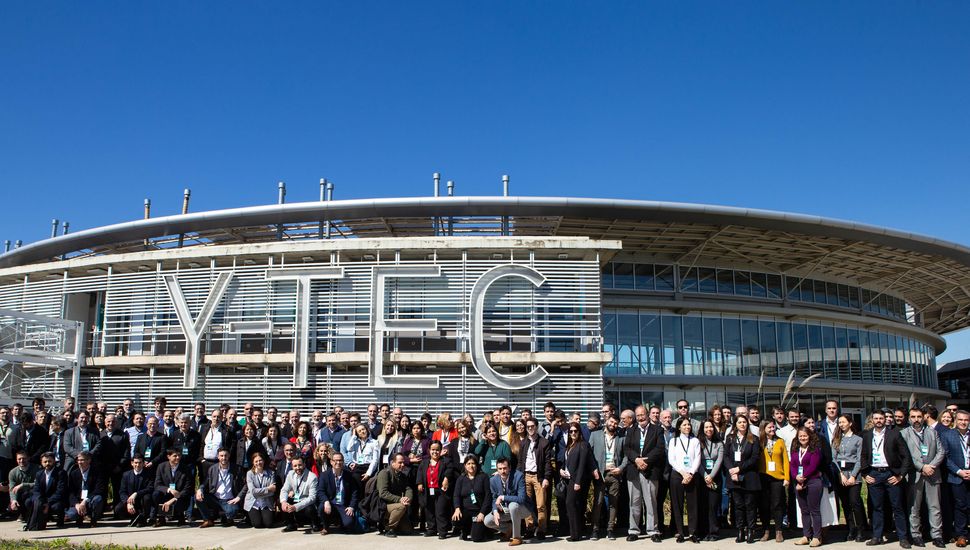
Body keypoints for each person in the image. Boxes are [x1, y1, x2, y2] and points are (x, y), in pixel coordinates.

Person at [861, 409, 912, 548]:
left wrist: (901, 475)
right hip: (874, 474)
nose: (878, 421)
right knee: (877, 508)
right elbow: (864, 456)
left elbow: (906, 456)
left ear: (885, 420)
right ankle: (877, 536)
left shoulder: (895, 434)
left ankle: (903, 538)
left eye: (881, 418)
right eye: (876, 418)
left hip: (891, 474)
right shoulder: (867, 435)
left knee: (898, 507)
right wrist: (865, 474)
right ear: (872, 420)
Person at [623, 404, 665, 542]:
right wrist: (636, 459)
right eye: (638, 415)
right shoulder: (631, 430)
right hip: (634, 471)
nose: (641, 418)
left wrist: (645, 461)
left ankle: (653, 531)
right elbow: (627, 449)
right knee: (634, 502)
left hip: (650, 470)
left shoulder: (657, 430)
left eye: (643, 415)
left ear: (647, 415)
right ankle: (634, 530)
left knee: (651, 502)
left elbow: (659, 449)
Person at [724, 414, 761, 544]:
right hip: (734, 477)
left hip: (749, 477)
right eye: (739, 422)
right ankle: (740, 530)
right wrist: (731, 470)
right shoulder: (730, 438)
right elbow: (726, 456)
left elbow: (755, 458)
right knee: (738, 506)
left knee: (750, 506)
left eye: (744, 422)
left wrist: (739, 469)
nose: (742, 424)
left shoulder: (754, 439)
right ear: (735, 424)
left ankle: (751, 530)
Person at [589, 414, 625, 541]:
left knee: (613, 503)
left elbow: (626, 456)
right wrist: (594, 469)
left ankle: (610, 529)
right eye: (611, 422)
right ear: (606, 421)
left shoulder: (621, 437)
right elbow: (589, 454)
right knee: (598, 503)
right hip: (600, 474)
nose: (613, 424)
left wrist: (620, 468)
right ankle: (595, 529)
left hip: (614, 474)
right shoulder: (595, 435)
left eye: (615, 423)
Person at [832, 414, 866, 543]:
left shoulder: (858, 439)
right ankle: (850, 528)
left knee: (855, 502)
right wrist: (840, 474)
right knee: (845, 504)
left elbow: (859, 459)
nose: (841, 424)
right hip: (841, 474)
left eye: (843, 422)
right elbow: (834, 458)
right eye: (839, 422)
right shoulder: (836, 439)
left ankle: (861, 529)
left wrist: (853, 476)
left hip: (853, 474)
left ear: (850, 423)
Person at [668, 417, 701, 543]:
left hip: (692, 475)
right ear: (679, 427)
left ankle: (692, 532)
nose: (687, 427)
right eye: (685, 425)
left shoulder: (695, 441)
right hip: (677, 475)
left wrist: (690, 473)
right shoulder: (673, 441)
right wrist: (682, 473)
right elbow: (672, 459)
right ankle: (680, 532)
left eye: (689, 425)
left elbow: (697, 458)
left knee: (693, 505)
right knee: (677, 504)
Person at [486, 457, 531, 546]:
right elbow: (494, 498)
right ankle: (508, 529)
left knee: (513, 505)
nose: (503, 471)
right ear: (497, 469)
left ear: (509, 468)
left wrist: (503, 497)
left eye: (505, 468)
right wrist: (495, 511)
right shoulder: (493, 480)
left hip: (523, 509)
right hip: (506, 510)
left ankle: (517, 537)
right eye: (500, 469)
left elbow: (521, 499)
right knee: (487, 521)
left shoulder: (519, 476)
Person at [197, 447, 247, 527]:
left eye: (225, 456)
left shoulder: (237, 469)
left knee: (233, 512)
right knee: (198, 498)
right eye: (221, 456)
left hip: (230, 500)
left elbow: (246, 484)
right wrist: (200, 489)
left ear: (229, 456)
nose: (224, 458)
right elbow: (205, 482)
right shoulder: (212, 468)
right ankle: (208, 520)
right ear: (218, 457)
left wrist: (239, 497)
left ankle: (225, 515)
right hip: (215, 498)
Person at [791, 427, 823, 547]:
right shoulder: (795, 449)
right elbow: (792, 465)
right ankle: (806, 535)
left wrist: (803, 477)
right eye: (800, 436)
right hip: (798, 482)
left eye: (805, 436)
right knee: (804, 510)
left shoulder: (814, 449)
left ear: (809, 436)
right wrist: (796, 477)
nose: (803, 438)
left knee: (814, 510)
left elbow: (813, 466)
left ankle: (817, 537)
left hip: (813, 481)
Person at [943, 410, 970, 547]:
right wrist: (959, 471)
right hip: (956, 477)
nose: (963, 422)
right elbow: (945, 458)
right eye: (960, 420)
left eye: (966, 420)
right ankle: (961, 535)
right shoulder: (947, 435)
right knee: (960, 506)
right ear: (955, 420)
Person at [560, 421, 590, 542]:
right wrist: (561, 471)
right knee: (572, 506)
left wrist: (578, 482)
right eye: (570, 431)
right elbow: (566, 462)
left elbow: (582, 465)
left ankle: (575, 535)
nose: (573, 433)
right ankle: (575, 532)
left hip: (575, 480)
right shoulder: (569, 445)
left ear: (579, 432)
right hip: (567, 479)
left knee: (570, 504)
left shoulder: (582, 445)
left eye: (575, 431)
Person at [759, 420, 788, 542]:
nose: (772, 429)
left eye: (773, 427)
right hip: (763, 477)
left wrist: (787, 477)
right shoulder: (759, 442)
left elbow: (785, 460)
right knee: (764, 505)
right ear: (763, 428)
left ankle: (778, 531)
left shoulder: (780, 441)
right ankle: (766, 530)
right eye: (769, 427)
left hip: (777, 478)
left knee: (777, 504)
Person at [416, 440, 452, 538]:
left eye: (437, 450)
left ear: (440, 451)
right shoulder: (425, 462)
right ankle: (431, 529)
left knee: (440, 511)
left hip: (440, 491)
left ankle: (442, 531)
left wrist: (446, 478)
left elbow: (450, 469)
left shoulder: (445, 461)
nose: (435, 452)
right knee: (429, 510)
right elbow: (420, 472)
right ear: (429, 450)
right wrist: (419, 483)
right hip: (428, 490)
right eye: (432, 450)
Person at [317, 452, 360, 535]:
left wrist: (351, 506)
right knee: (321, 507)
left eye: (340, 460)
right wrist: (326, 502)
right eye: (335, 460)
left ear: (343, 462)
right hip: (330, 504)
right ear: (331, 462)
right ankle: (325, 527)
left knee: (349, 524)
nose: (338, 463)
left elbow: (355, 492)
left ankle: (341, 523)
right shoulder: (324, 475)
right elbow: (320, 491)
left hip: (343, 505)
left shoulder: (349, 475)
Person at [452, 454, 492, 542]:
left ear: (477, 465)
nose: (471, 466)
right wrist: (457, 508)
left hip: (478, 511)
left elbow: (488, 496)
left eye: (473, 463)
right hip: (465, 511)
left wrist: (482, 512)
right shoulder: (461, 479)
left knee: (476, 538)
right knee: (455, 519)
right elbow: (456, 495)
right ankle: (465, 530)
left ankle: (483, 530)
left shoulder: (483, 477)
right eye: (468, 463)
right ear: (465, 466)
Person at [151, 448, 192, 526]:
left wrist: (174, 498)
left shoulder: (186, 468)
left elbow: (187, 488)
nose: (178, 458)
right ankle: (161, 519)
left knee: (183, 497)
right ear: (168, 456)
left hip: (180, 496)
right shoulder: (161, 467)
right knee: (156, 494)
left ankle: (181, 518)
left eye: (179, 455)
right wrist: (169, 490)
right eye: (175, 456)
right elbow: (157, 485)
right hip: (166, 493)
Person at [376, 452, 413, 537]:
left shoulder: (402, 475)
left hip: (395, 504)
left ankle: (392, 524)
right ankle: (389, 528)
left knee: (407, 530)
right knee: (401, 507)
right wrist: (400, 499)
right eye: (400, 462)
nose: (403, 465)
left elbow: (408, 489)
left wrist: (407, 498)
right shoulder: (384, 473)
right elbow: (383, 493)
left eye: (403, 462)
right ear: (393, 463)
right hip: (383, 505)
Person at [280, 454, 321, 533]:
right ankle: (291, 524)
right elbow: (284, 489)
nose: (297, 468)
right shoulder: (290, 474)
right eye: (295, 466)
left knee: (310, 509)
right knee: (282, 501)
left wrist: (295, 506)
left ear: (304, 464)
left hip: (307, 502)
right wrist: (284, 502)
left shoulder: (312, 477)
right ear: (292, 466)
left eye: (300, 465)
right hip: (296, 498)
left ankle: (315, 524)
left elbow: (312, 498)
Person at [698, 419, 723, 541]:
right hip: (702, 477)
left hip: (715, 477)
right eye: (706, 427)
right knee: (703, 506)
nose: (709, 429)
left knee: (713, 506)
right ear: (702, 429)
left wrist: (711, 476)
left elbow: (719, 460)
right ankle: (703, 532)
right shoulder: (698, 442)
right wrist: (705, 476)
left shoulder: (719, 443)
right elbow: (697, 460)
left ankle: (714, 532)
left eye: (711, 427)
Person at [27, 452, 66, 530]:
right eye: (45, 462)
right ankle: (34, 522)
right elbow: (36, 490)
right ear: (41, 463)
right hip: (43, 499)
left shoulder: (61, 473)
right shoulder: (39, 474)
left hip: (56, 499)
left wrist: (48, 502)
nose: (47, 463)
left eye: (49, 461)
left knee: (57, 506)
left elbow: (60, 491)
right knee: (29, 501)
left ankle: (59, 520)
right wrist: (41, 501)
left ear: (54, 461)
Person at [115, 454, 153, 526]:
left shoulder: (148, 474)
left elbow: (150, 488)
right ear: (132, 463)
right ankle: (134, 517)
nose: (137, 465)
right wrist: (128, 503)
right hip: (130, 501)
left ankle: (143, 519)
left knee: (147, 498)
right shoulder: (126, 475)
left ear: (143, 463)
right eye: (136, 463)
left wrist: (136, 493)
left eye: (140, 463)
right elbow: (122, 491)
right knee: (118, 509)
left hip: (142, 500)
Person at [243, 453, 276, 529]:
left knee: (268, 524)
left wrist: (259, 492)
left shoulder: (271, 473)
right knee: (257, 525)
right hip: (253, 502)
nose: (258, 463)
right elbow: (253, 492)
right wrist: (267, 489)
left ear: (264, 461)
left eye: (260, 460)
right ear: (253, 463)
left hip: (266, 502)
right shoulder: (249, 474)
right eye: (256, 461)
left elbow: (272, 491)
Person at [8, 450, 38, 522]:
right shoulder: (13, 472)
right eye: (19, 459)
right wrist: (13, 500)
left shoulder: (36, 468)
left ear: (28, 458)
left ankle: (30, 515)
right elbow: (12, 488)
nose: (21, 460)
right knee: (11, 507)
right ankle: (21, 514)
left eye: (24, 458)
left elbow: (38, 484)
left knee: (28, 501)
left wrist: (23, 485)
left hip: (33, 493)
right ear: (16, 460)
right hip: (20, 495)